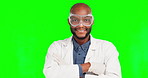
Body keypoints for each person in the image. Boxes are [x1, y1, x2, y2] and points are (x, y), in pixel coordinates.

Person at [43, 3, 122, 78]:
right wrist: (87, 67)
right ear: (69, 22)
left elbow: (115, 76)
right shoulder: (57, 47)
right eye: (75, 20)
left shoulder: (107, 48)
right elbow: (50, 74)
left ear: (92, 22)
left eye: (86, 20)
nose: (81, 25)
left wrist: (70, 73)